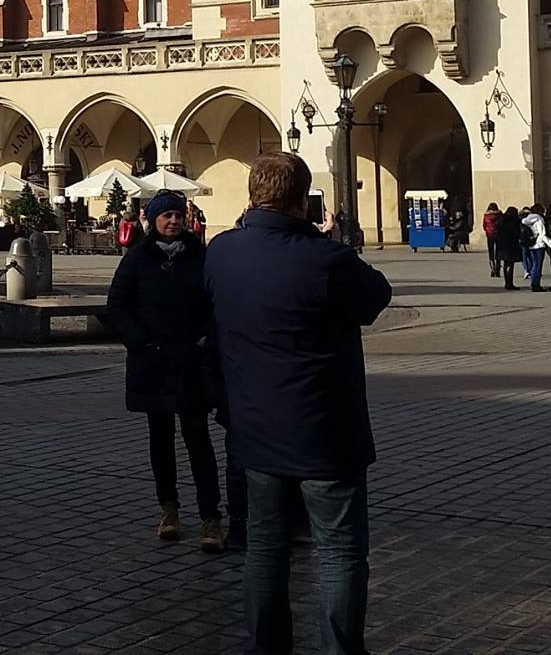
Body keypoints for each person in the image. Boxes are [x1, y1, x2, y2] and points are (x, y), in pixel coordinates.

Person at [207, 151, 391, 655]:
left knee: (265, 549)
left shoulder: (222, 252)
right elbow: (377, 296)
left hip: (254, 430)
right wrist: (327, 242)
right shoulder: (325, 259)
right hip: (325, 433)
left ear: (252, 195)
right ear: (302, 201)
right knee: (339, 551)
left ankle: (267, 648)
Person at [102, 190, 222, 553]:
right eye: (166, 216)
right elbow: (117, 307)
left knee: (198, 439)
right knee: (161, 440)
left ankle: (210, 516)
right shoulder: (137, 259)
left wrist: (204, 340)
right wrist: (140, 343)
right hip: (152, 362)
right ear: (151, 220)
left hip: (190, 362)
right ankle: (168, 508)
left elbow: (216, 303)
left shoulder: (200, 257)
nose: (173, 222)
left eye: (177, 216)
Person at [480, 203, 502, 278]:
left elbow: (484, 225)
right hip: (498, 234)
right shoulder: (499, 215)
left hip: (490, 235)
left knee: (491, 252)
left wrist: (487, 230)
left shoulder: (486, 215)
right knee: (498, 252)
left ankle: (492, 270)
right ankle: (498, 269)